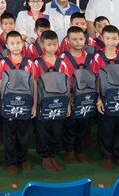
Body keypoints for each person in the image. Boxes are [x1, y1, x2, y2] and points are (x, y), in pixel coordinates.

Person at [92, 25, 119, 170]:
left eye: (114, 38)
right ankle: (107, 156)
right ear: (102, 39)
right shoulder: (97, 56)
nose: (111, 41)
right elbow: (95, 79)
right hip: (105, 99)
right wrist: (98, 99)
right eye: (108, 38)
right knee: (106, 128)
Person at [0, 30, 37, 173]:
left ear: (23, 44)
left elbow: (34, 84)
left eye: (18, 43)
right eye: (12, 43)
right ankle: (10, 162)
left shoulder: (29, 63)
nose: (16, 46)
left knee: (23, 134)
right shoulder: (3, 63)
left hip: (25, 105)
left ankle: (22, 159)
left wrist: (34, 105)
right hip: (8, 105)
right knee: (9, 135)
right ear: (7, 45)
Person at [33, 30, 70, 172]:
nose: (52, 47)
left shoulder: (62, 62)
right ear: (42, 45)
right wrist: (34, 105)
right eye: (48, 44)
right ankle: (45, 157)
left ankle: (53, 155)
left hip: (59, 104)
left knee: (56, 130)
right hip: (42, 104)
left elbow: (66, 83)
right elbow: (34, 84)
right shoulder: (37, 62)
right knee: (42, 131)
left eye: (55, 44)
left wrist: (67, 105)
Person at [60, 26, 93, 164]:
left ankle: (80, 150)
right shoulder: (63, 57)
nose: (78, 42)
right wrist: (67, 98)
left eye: (81, 39)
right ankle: (69, 151)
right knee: (70, 124)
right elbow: (61, 80)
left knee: (84, 124)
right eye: (74, 39)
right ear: (67, 40)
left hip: (86, 95)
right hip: (71, 94)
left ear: (85, 39)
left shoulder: (90, 57)